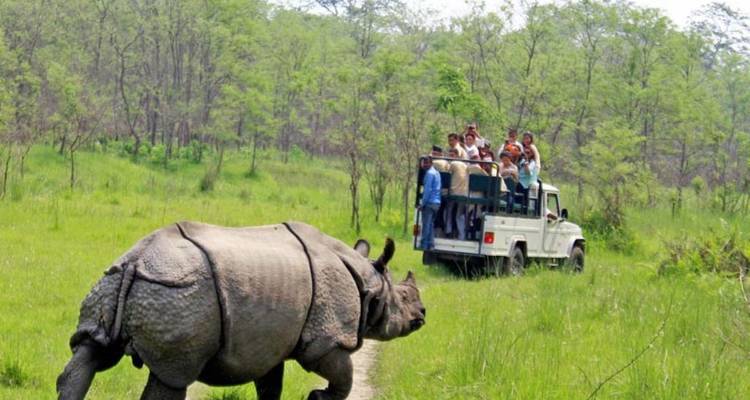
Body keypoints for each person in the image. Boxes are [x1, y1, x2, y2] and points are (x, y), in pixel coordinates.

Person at [419, 157, 441, 250]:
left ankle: (424, 245)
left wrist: (422, 204)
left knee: (426, 225)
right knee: (431, 224)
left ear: (431, 163)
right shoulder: (437, 173)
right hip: (436, 203)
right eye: (424, 163)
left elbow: (427, 190)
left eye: (426, 163)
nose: (424, 165)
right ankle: (431, 244)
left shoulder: (429, 174)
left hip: (430, 203)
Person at [516, 146, 539, 214]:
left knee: (523, 203)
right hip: (518, 182)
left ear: (532, 154)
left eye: (528, 152)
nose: (526, 154)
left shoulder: (533, 163)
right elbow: (517, 167)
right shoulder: (522, 160)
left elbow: (528, 173)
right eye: (525, 152)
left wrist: (526, 162)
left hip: (525, 185)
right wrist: (518, 157)